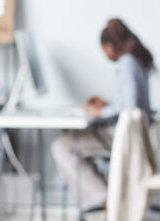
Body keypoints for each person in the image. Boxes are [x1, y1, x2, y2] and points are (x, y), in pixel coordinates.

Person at [51, 18, 154, 210]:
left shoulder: (127, 63)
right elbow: (130, 103)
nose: (105, 54)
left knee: (61, 146)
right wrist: (108, 104)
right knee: (68, 145)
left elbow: (130, 108)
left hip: (124, 136)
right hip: (134, 134)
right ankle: (107, 197)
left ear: (110, 45)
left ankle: (105, 198)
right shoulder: (135, 60)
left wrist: (103, 111)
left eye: (104, 49)